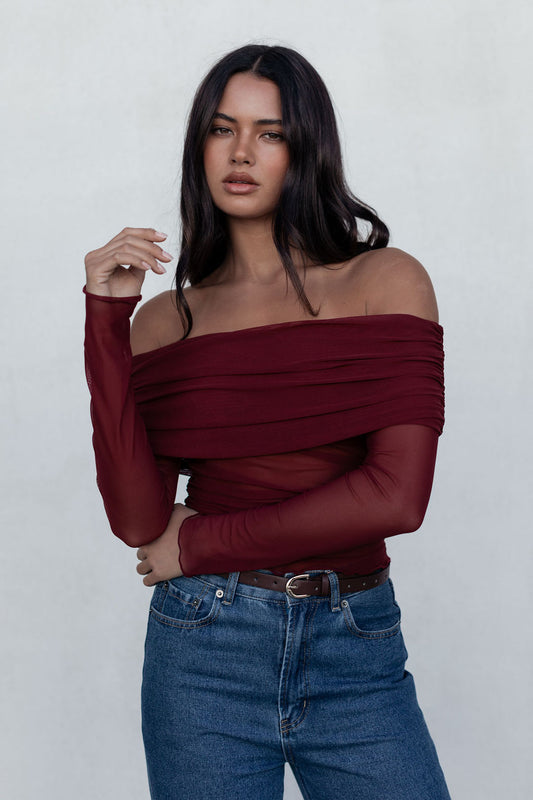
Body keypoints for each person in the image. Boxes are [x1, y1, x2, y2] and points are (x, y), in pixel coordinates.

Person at [83, 43, 451, 800]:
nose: (242, 152)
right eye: (222, 130)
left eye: (270, 132)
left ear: (305, 147)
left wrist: (203, 542)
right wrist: (106, 320)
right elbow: (138, 520)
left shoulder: (385, 281)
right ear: (200, 146)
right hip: (202, 645)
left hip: (356, 642)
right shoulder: (165, 322)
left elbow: (396, 498)